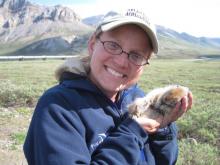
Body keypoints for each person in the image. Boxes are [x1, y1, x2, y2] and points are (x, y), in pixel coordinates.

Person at [23, 8, 193, 165]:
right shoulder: (58, 107)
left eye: (136, 55)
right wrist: (133, 133)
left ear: (144, 64)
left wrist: (162, 130)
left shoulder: (137, 98)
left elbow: (164, 161)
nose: (121, 62)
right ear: (92, 45)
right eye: (113, 45)